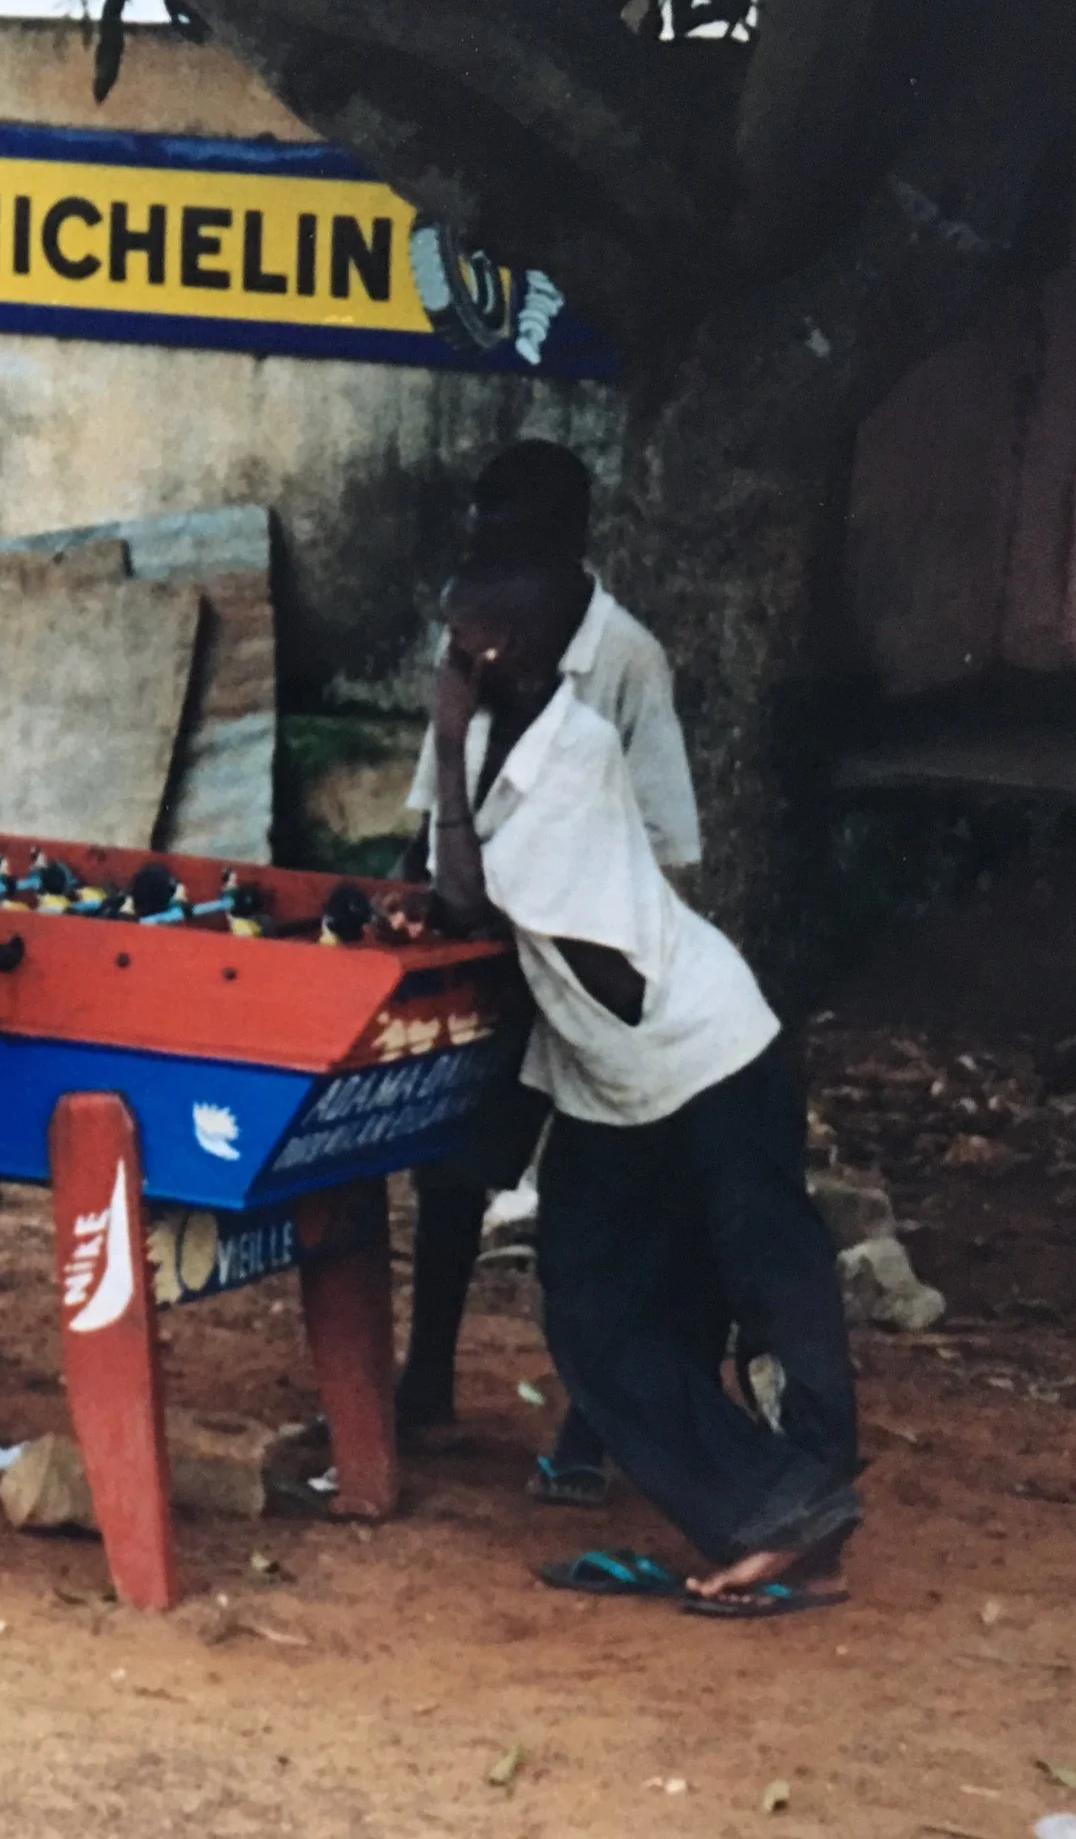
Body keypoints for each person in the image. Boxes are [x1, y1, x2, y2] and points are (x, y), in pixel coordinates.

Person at [426, 557, 861, 1617]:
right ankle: (781, 1504)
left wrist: (442, 740)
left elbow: (469, 898)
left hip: (702, 1056)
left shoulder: (569, 755)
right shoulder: (500, 740)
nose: (442, 660)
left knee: (757, 1278)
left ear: (501, 655)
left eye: (458, 639)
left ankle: (791, 1505)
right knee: (591, 1308)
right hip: (613, 1080)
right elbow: (441, 875)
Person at [394, 441, 702, 1514]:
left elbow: (667, 845)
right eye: (476, 542)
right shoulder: (471, 641)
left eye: (506, 545)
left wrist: (571, 921)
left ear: (562, 554)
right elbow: (429, 819)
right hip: (486, 960)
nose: (483, 568)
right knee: (451, 1167)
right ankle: (424, 1378)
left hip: (586, 968)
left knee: (596, 1203)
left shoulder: (626, 663)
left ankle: (587, 1427)